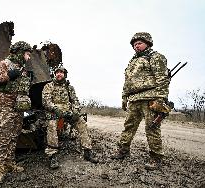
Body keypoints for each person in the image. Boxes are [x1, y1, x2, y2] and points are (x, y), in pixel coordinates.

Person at [112, 32, 170, 170]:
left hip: (150, 98)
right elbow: (128, 82)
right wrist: (124, 97)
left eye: (139, 43)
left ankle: (156, 158)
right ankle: (123, 150)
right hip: (133, 99)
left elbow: (162, 80)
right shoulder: (133, 61)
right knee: (129, 126)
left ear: (148, 43)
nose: (136, 46)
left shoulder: (156, 57)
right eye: (134, 44)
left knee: (152, 128)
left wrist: (160, 100)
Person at [0, 41, 32, 183]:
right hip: (5, 106)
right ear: (19, 53)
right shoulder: (3, 64)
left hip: (18, 107)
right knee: (4, 136)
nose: (28, 57)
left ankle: (9, 163)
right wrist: (8, 76)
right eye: (27, 54)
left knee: (14, 135)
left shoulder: (22, 68)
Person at [42, 66, 98, 169]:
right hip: (56, 114)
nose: (59, 74)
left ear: (64, 75)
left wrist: (75, 111)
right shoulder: (49, 86)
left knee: (82, 123)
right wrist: (56, 109)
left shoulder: (69, 87)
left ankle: (87, 151)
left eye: (61, 72)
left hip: (68, 113)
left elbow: (75, 101)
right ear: (55, 74)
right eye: (57, 72)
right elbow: (46, 102)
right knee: (52, 126)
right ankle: (52, 155)